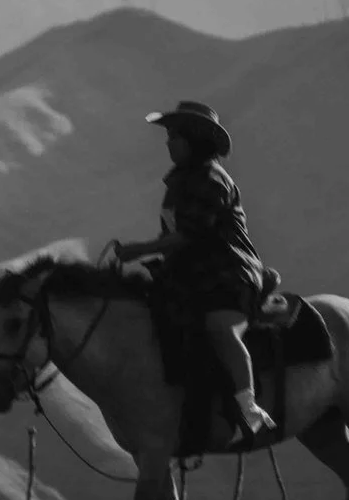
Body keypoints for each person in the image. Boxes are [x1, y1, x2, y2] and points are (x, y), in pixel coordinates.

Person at [107, 101, 281, 438]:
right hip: (192, 274)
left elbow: (189, 236)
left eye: (174, 136)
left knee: (220, 328)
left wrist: (140, 250)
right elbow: (173, 237)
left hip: (228, 273)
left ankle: (249, 408)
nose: (168, 143)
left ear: (194, 140)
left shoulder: (211, 179)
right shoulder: (180, 184)